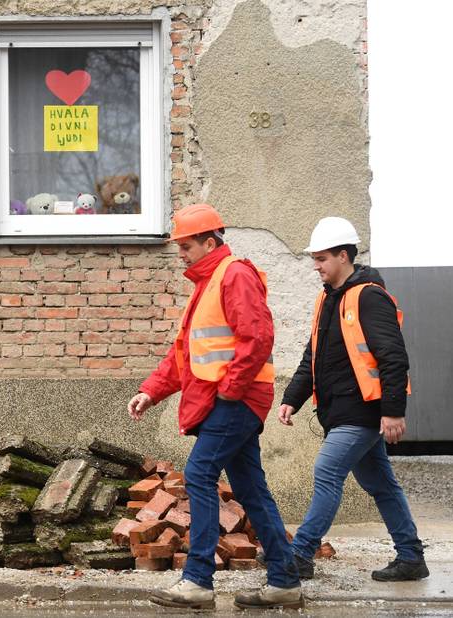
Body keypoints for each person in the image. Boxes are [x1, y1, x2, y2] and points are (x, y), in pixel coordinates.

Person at [128, 204, 302, 610]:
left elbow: (257, 337)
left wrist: (230, 390)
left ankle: (198, 581)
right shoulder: (207, 284)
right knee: (251, 490)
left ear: (210, 243)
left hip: (235, 400)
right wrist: (151, 391)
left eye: (186, 246)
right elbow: (185, 355)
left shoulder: (233, 274)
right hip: (227, 400)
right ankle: (284, 581)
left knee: (199, 473)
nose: (180, 254)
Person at [275, 216, 428, 582]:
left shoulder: (369, 296)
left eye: (321, 259)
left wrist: (393, 411)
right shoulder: (327, 299)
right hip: (341, 410)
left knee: (327, 471)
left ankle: (300, 554)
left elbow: (393, 357)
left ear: (343, 256)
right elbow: (313, 355)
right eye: (314, 259)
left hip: (362, 411)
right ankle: (411, 557)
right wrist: (292, 398)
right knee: (382, 485)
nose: (315, 266)